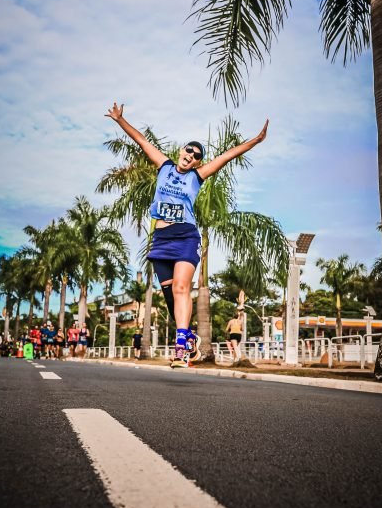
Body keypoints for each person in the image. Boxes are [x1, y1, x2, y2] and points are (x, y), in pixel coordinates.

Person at [106, 101, 268, 368]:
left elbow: (227, 156)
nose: (190, 156)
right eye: (188, 150)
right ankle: (189, 337)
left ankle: (180, 348)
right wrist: (120, 120)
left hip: (185, 237)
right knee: (171, 298)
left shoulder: (197, 176)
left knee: (182, 289)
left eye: (195, 155)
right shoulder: (164, 166)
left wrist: (256, 140)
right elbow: (140, 140)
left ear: (197, 162)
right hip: (160, 240)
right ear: (181, 151)